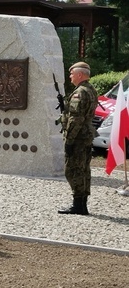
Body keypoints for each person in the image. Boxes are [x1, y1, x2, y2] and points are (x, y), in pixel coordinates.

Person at [58, 61, 98, 216]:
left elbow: (75, 119)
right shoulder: (91, 90)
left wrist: (69, 141)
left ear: (80, 74)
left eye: (71, 73)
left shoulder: (79, 92)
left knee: (73, 170)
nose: (70, 77)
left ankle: (78, 205)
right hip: (86, 135)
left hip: (78, 138)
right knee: (83, 169)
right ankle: (81, 204)